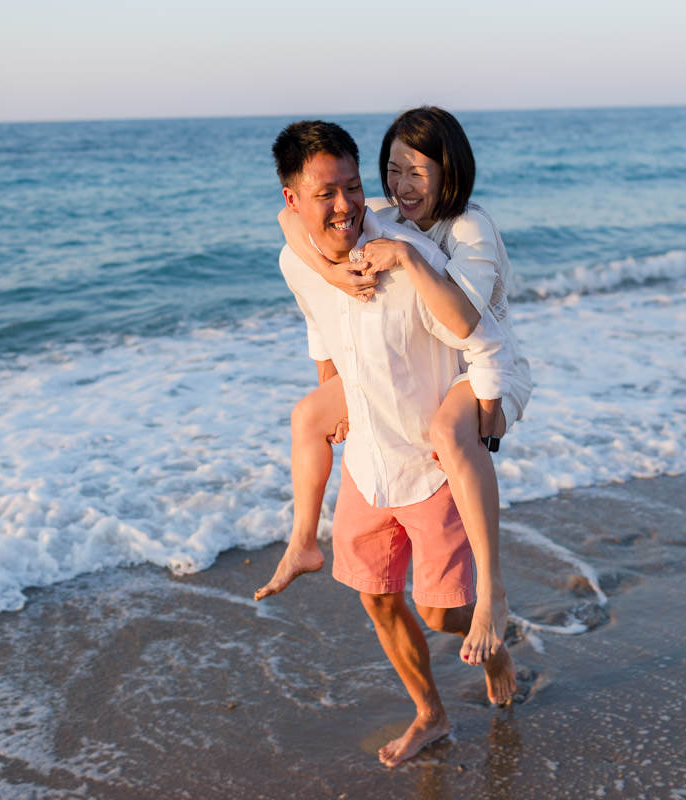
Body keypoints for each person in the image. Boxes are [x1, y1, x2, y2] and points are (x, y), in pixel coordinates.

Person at [267, 120, 518, 767]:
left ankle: (496, 637)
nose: (347, 205)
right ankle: (430, 714)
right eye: (327, 193)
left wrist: (489, 409)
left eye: (352, 188)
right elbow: (320, 334)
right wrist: (335, 404)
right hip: (366, 463)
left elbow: (483, 334)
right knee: (376, 598)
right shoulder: (296, 259)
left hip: (428, 465)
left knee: (440, 616)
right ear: (294, 200)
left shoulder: (411, 250)